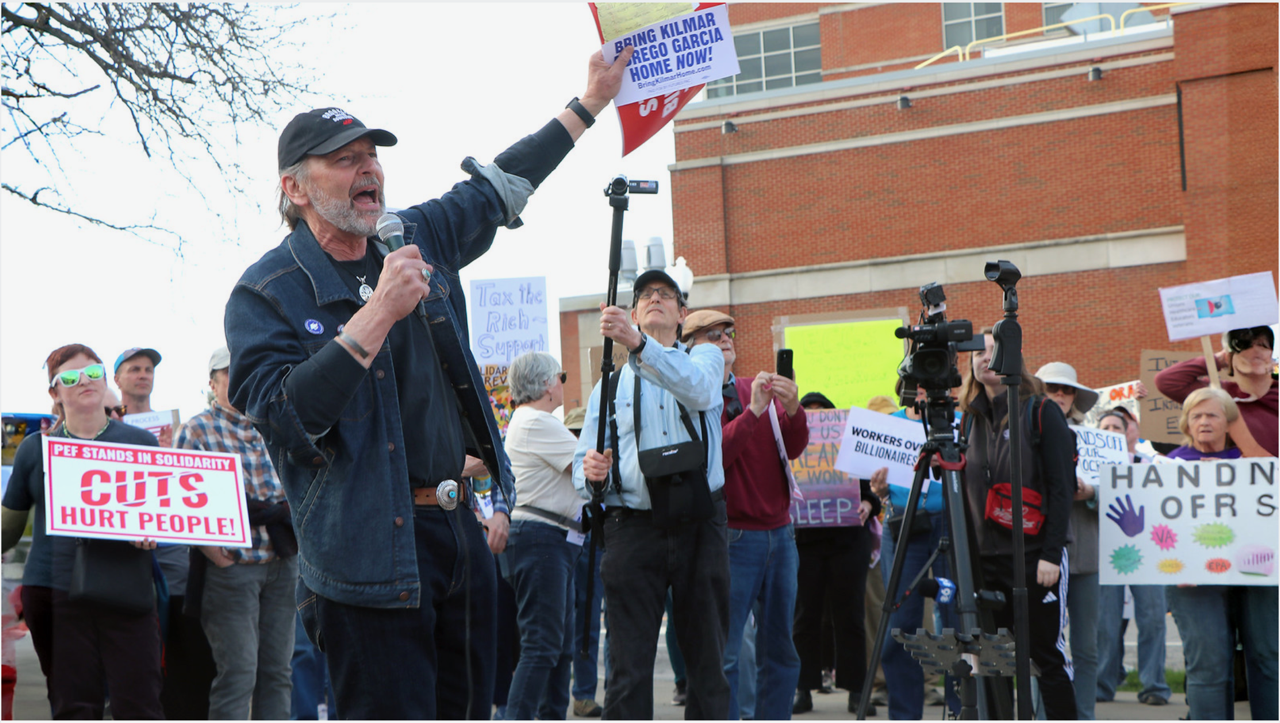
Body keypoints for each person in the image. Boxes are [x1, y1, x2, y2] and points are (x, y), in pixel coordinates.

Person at [224, 49, 631, 719]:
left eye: (371, 156)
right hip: (364, 555)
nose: (369, 168)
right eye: (344, 158)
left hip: (457, 532)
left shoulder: (415, 235)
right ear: (295, 188)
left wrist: (588, 103)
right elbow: (286, 419)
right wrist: (378, 312)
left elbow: (499, 187)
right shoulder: (267, 291)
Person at [573, 268, 729, 720]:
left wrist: (640, 347)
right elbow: (585, 465)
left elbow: (698, 392)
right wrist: (593, 473)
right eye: (644, 295)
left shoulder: (706, 358)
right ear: (636, 312)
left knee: (708, 662)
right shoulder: (612, 383)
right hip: (633, 528)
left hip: (700, 521)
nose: (653, 299)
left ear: (683, 313)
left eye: (665, 294)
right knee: (627, 665)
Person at [1, 344, 164, 719]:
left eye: (93, 373)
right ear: (55, 393)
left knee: (139, 703)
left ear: (106, 379)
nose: (85, 382)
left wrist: (151, 530)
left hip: (127, 591)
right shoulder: (34, 450)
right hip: (55, 593)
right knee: (73, 705)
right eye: (70, 378)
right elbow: (7, 529)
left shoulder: (142, 444)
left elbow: (163, 517)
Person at [682, 309, 806, 720]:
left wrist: (792, 410)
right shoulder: (695, 400)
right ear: (689, 350)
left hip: (781, 533)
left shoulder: (756, 387)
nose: (724, 340)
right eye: (710, 335)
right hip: (734, 537)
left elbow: (793, 447)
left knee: (780, 649)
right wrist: (752, 413)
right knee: (729, 651)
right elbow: (715, 457)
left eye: (726, 333)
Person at [174, 346, 299, 719]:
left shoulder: (273, 421)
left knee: (278, 672)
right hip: (233, 566)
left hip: (282, 560)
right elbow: (182, 504)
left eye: (243, 369)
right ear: (212, 383)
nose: (237, 377)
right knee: (239, 672)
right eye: (227, 373)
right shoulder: (196, 430)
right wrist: (218, 556)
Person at [958, 331, 1076, 719]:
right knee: (990, 663)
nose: (984, 357)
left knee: (1044, 659)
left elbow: (1063, 488)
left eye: (993, 350)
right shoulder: (967, 420)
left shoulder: (1041, 410)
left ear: (1015, 356)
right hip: (983, 563)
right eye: (978, 352)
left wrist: (1051, 554)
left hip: (1033, 561)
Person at [1162, 387, 1277, 720]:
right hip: (1193, 580)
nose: (1203, 421)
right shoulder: (1169, 467)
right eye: (1195, 415)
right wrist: (1176, 566)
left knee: (1268, 658)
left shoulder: (1255, 463)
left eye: (1212, 414)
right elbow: (1160, 529)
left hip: (1258, 573)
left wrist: (1234, 475)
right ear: (1186, 423)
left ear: (1230, 422)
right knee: (1209, 664)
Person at [114, 345, 216, 719]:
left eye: (148, 369)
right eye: (134, 369)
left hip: (173, 552)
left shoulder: (175, 429)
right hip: (125, 558)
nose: (143, 375)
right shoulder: (106, 427)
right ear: (118, 379)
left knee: (182, 642)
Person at [869, 385, 960, 720]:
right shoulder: (888, 424)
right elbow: (878, 486)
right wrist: (878, 491)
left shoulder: (961, 422)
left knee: (957, 617)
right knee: (901, 620)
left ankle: (959, 707)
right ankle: (905, 713)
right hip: (904, 524)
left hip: (952, 523)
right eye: (918, 384)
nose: (924, 391)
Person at [502, 351, 583, 720]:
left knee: (555, 645)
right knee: (543, 645)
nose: (561, 382)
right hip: (543, 538)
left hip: (546, 539)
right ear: (547, 384)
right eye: (560, 376)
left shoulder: (528, 420)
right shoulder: (537, 421)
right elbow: (587, 466)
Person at [792, 393, 881, 716]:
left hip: (847, 542)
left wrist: (869, 505)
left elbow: (871, 494)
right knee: (804, 617)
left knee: (851, 618)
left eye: (821, 415)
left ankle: (857, 691)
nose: (815, 421)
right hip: (806, 543)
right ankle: (803, 689)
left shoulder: (852, 450)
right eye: (809, 415)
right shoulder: (788, 449)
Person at [1035, 361, 1101, 720]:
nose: (1060, 395)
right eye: (1052, 388)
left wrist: (1091, 491)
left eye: (1067, 390)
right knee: (1043, 647)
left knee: (1087, 648)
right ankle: (1042, 715)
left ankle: (1084, 714)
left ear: (1075, 396)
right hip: (1045, 552)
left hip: (1086, 554)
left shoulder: (1096, 436)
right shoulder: (1028, 435)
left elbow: (1122, 491)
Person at [1092, 410, 1170, 707]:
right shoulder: (1090, 467)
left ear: (1129, 432)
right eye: (1105, 427)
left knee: (1153, 622)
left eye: (1116, 427)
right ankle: (1102, 685)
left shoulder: (1148, 465)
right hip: (1105, 551)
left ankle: (1155, 686)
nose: (1112, 431)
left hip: (1147, 552)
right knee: (1105, 624)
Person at [1155, 326, 1277, 456]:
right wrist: (1219, 360)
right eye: (1244, 346)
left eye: (1262, 345)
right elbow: (1167, 381)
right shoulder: (1220, 394)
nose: (1255, 351)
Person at [565, 406, 606, 719]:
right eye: (574, 433)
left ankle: (583, 694)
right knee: (562, 622)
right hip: (565, 540)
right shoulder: (567, 458)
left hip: (596, 539)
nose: (579, 439)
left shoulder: (601, 461)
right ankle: (567, 691)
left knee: (589, 621)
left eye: (583, 433)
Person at [1165, 386, 1242, 461]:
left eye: (1212, 415)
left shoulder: (1243, 458)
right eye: (1196, 417)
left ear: (1228, 424)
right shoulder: (1174, 461)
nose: (1204, 423)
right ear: (1187, 426)